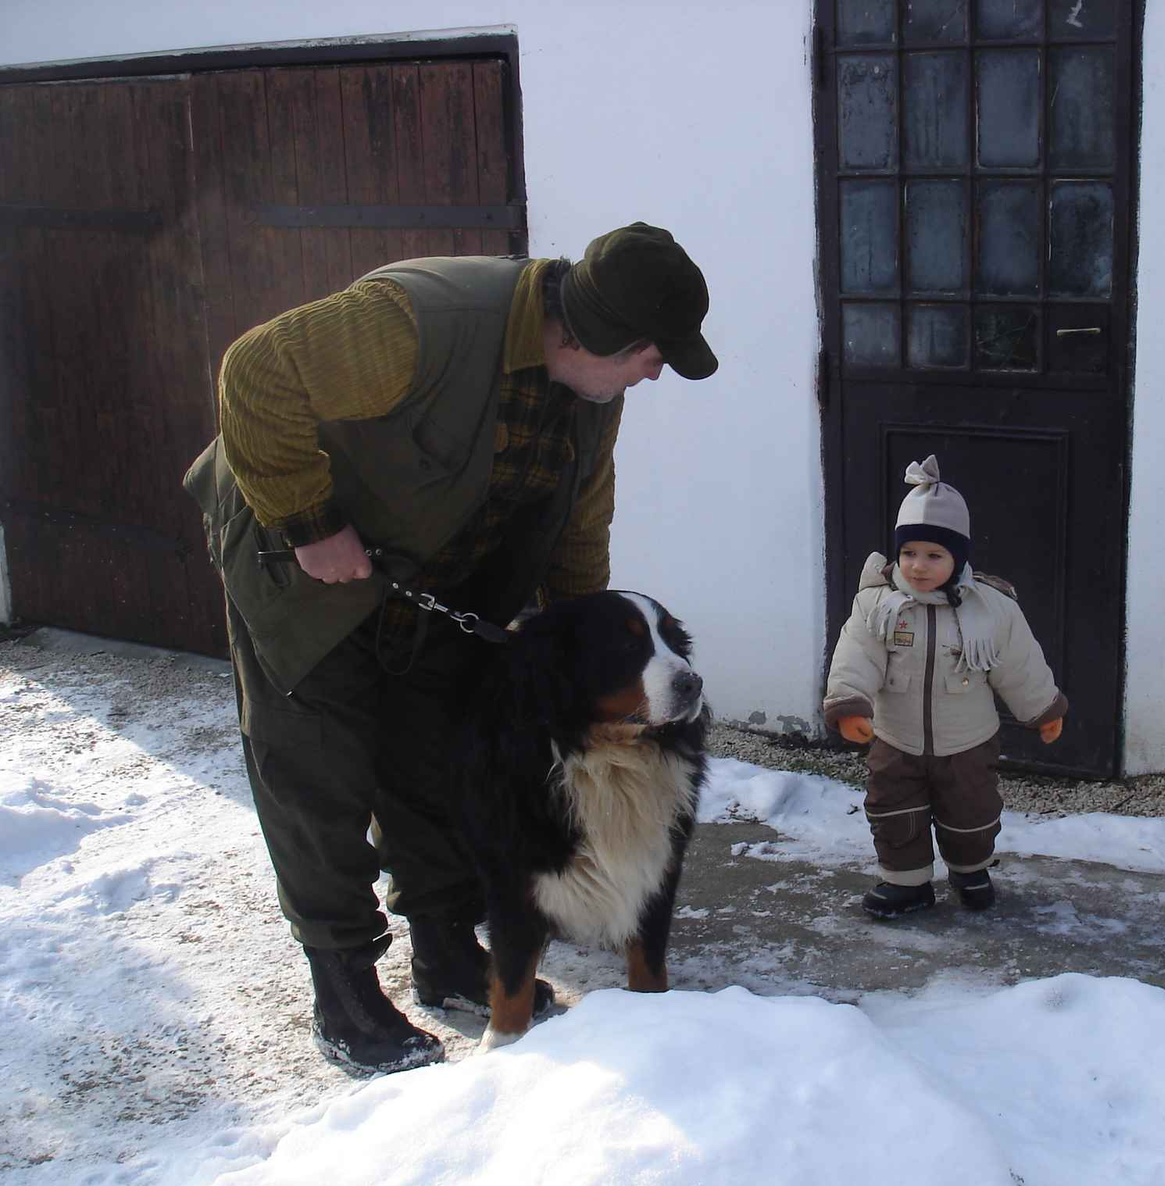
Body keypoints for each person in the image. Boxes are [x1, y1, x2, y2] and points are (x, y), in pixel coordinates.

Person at [182, 223, 717, 1074]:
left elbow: (581, 522)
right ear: (593, 335)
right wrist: (310, 521)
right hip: (299, 559)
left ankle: (445, 950)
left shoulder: (594, 396)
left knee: (438, 757)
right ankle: (346, 989)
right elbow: (254, 370)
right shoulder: (421, 319)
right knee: (317, 773)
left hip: (433, 580)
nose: (655, 369)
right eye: (652, 351)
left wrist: (581, 652)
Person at [823, 456, 1068, 918]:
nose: (918, 566)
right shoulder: (879, 606)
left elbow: (1019, 663)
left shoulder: (991, 609)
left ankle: (971, 869)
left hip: (967, 741)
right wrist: (850, 704)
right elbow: (856, 655)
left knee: (971, 813)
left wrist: (1044, 709)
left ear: (958, 557)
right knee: (894, 811)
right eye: (909, 553)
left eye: (934, 555)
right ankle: (906, 883)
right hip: (897, 740)